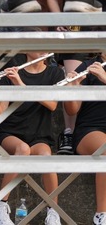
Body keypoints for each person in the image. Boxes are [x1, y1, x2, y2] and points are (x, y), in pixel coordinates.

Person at [0, 50, 64, 225]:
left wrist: (21, 85)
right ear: (26, 47)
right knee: (23, 149)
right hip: (11, 133)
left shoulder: (55, 73)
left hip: (39, 135)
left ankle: (53, 212)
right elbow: (1, 114)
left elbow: (52, 105)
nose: (43, 50)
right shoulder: (13, 72)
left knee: (46, 157)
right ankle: (0, 206)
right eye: (38, 44)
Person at [64, 52, 106, 225]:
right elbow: (71, 110)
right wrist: (73, 88)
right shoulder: (89, 67)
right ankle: (101, 215)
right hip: (90, 131)